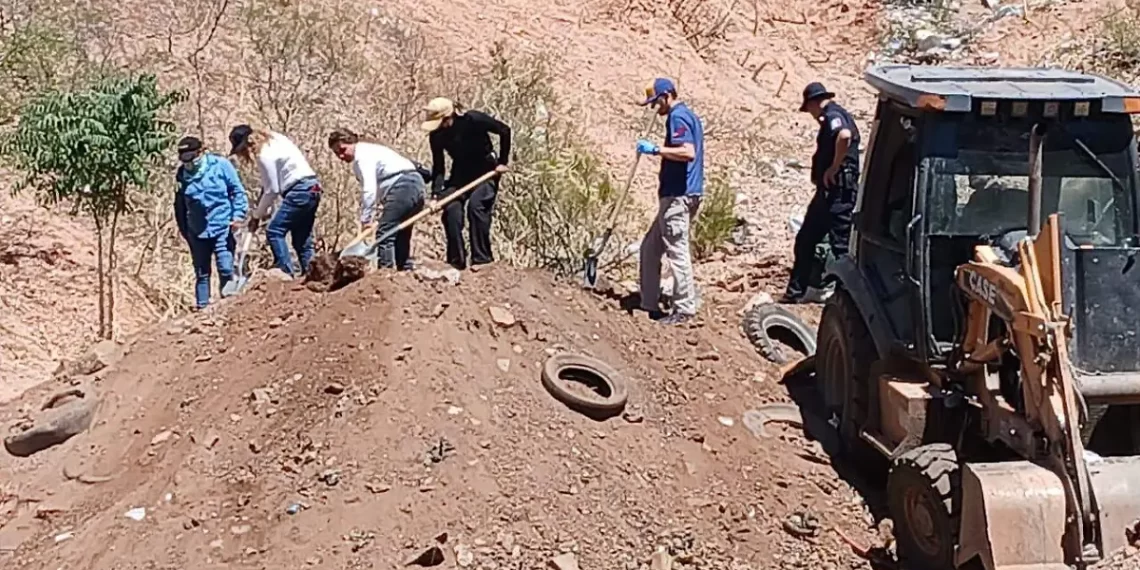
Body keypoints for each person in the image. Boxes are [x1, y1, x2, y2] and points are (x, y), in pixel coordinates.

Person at [782, 82, 861, 304]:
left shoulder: (834, 115)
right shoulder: (834, 115)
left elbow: (844, 135)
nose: (812, 116)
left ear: (814, 102)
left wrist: (834, 167)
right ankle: (796, 292)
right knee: (806, 238)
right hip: (829, 192)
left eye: (810, 110)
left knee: (840, 246)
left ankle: (847, 298)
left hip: (838, 192)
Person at [634, 78, 705, 326]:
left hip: (678, 196)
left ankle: (684, 308)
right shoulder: (688, 116)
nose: (656, 108)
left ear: (666, 96)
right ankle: (649, 304)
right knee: (649, 249)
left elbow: (688, 152)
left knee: (677, 251)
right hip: (676, 196)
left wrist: (655, 150)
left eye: (656, 102)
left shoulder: (678, 116)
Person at [421, 97, 511, 271]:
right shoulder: (437, 136)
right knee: (451, 210)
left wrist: (502, 161)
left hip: (486, 170)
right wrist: (435, 195)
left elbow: (504, 130)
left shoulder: (473, 120)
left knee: (476, 207)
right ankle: (456, 261)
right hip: (460, 173)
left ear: (448, 117)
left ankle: (482, 260)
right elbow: (439, 166)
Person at [229, 125, 322, 277]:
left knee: (274, 231)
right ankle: (313, 275)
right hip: (313, 187)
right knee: (302, 240)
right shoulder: (277, 139)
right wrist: (260, 211)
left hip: (298, 191)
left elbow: (272, 189)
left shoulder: (263, 155)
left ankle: (285, 273)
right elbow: (268, 187)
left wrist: (257, 216)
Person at [327, 128, 426, 270]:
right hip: (413, 185)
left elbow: (369, 189)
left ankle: (385, 274)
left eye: (343, 150)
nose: (341, 156)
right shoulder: (368, 152)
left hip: (404, 186)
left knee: (385, 232)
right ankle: (404, 270)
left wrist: (366, 218)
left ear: (352, 142)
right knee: (399, 231)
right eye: (337, 154)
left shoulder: (362, 156)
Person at [173, 136, 249, 310]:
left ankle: (226, 306)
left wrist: (237, 215)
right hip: (197, 231)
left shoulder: (221, 166)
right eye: (185, 159)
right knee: (202, 273)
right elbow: (179, 206)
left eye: (192, 157)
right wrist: (185, 232)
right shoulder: (181, 175)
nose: (189, 163)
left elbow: (237, 191)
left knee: (225, 267)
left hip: (222, 225)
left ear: (201, 152)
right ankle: (202, 309)